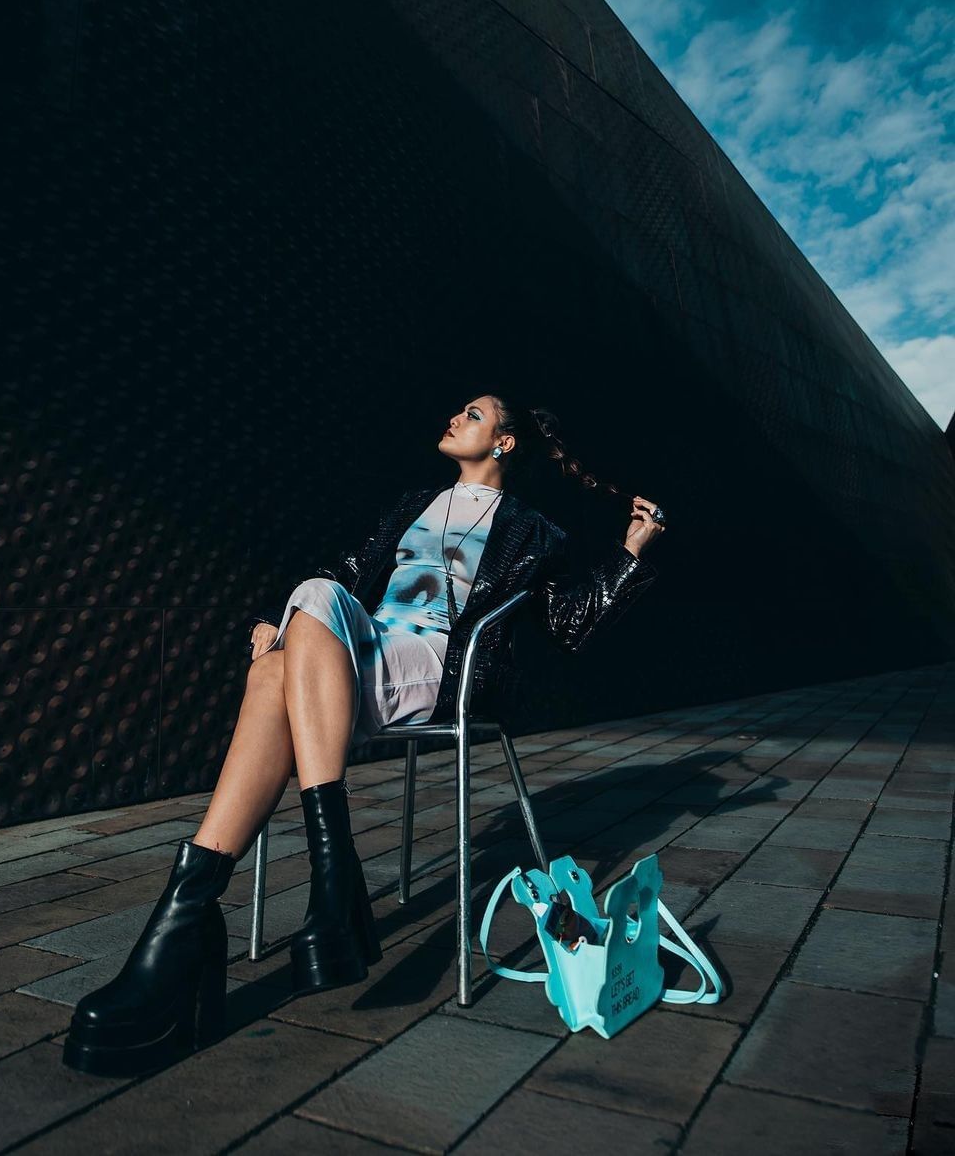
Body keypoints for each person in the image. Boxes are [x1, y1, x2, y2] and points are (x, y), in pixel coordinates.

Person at [61, 390, 666, 1075]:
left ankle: (203, 922)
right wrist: (277, 622)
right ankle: (286, 883)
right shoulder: (412, 504)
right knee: (293, 636)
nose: (454, 417)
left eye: (473, 415)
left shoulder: (534, 532)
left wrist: (630, 551)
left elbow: (570, 626)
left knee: (286, 655)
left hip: (437, 666)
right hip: (364, 656)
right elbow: (346, 574)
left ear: (504, 442)